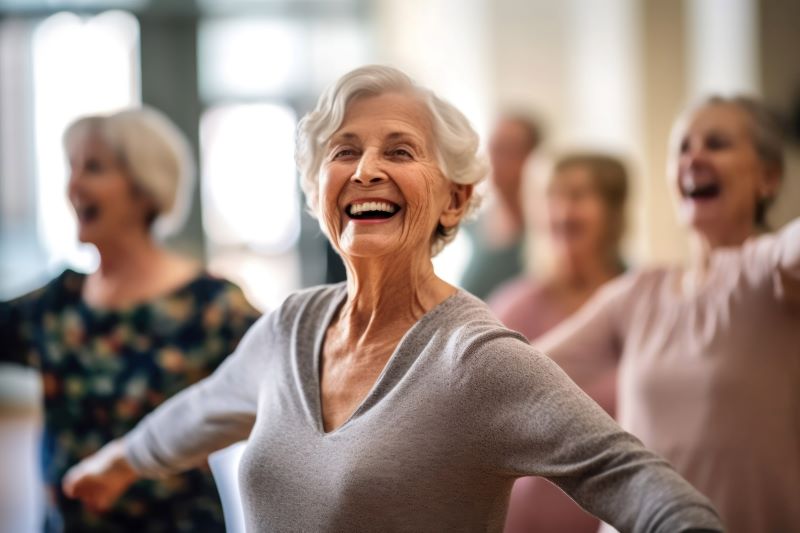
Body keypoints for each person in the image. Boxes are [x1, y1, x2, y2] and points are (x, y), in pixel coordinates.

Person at [62, 66, 723, 533]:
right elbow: (203, 409)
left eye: (399, 150)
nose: (366, 168)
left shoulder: (476, 359)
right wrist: (114, 463)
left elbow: (629, 475)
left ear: (456, 197)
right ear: (318, 188)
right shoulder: (289, 326)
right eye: (343, 150)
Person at [533, 95, 800, 533]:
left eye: (716, 144)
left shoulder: (771, 272)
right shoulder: (640, 292)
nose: (694, 158)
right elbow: (524, 373)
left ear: (768, 177)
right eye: (682, 148)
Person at [0, 107, 261, 532]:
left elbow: (286, 386)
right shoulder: (58, 302)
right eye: (73, 167)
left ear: (145, 187)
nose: (73, 184)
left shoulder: (211, 306)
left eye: (95, 168)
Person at [490, 153, 629, 532]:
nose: (563, 211)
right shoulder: (511, 307)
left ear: (612, 211)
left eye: (579, 195)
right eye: (552, 196)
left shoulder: (641, 301)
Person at [459, 113, 542, 299]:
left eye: (509, 150)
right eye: (493, 148)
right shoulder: (473, 221)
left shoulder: (548, 228)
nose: (495, 159)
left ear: (533, 156)